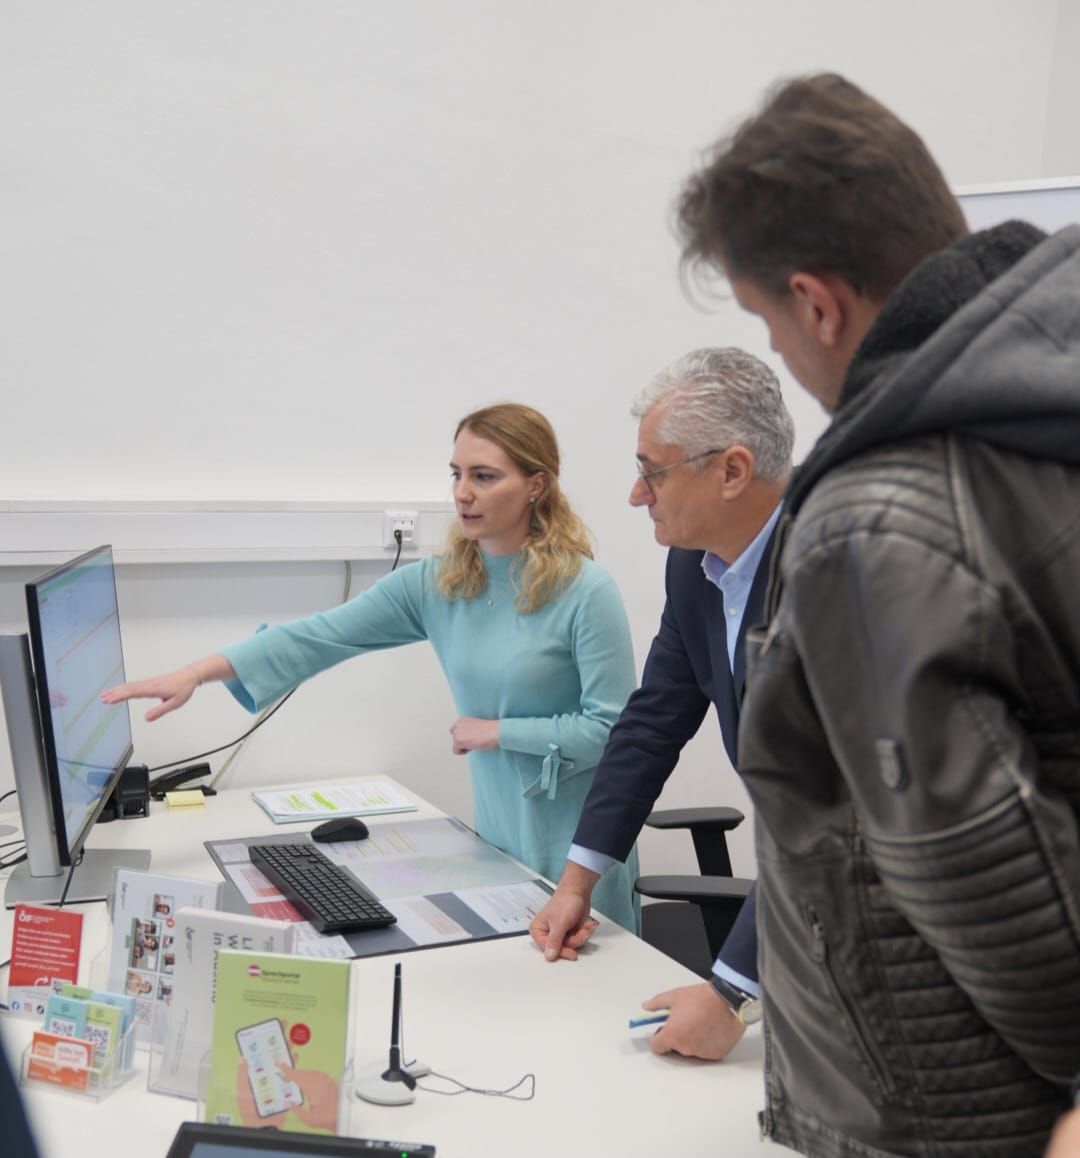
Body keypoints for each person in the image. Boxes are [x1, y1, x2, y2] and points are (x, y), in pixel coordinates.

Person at [677, 72, 1080, 1156]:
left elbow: (985, 873)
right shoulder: (1042, 407)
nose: (774, 351)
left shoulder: (875, 521)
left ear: (817, 301)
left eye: (765, 316)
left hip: (947, 1114)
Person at [104, 404, 639, 930]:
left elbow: (614, 732)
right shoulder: (442, 582)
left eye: (484, 476)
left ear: (536, 485)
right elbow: (323, 635)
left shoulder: (586, 591)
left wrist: (499, 732)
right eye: (456, 474)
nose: (462, 492)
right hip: (499, 839)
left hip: (580, 850)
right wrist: (197, 673)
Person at [529, 346, 792, 1061]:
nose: (635, 494)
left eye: (652, 469)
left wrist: (731, 990)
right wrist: (578, 881)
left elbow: (834, 816)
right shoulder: (694, 566)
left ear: (733, 470)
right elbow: (652, 724)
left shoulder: (833, 575)